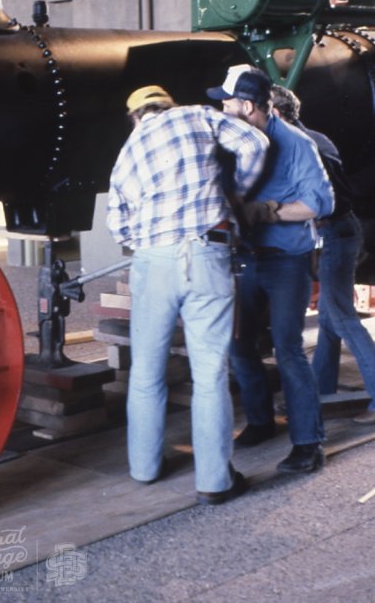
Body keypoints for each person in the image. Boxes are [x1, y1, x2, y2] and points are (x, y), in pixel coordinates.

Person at [106, 84, 269, 504]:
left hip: (152, 261)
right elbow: (254, 142)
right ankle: (215, 482)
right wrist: (238, 194)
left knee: (144, 372)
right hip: (206, 251)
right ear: (168, 105)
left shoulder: (127, 153)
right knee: (210, 374)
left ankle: (144, 468)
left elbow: (117, 226)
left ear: (135, 116)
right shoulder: (195, 115)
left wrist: (147, 238)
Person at [207, 64, 334, 474]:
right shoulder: (230, 138)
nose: (222, 109)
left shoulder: (296, 145)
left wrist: (270, 211)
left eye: (227, 102)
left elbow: (320, 205)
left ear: (247, 106)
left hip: (285, 262)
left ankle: (308, 443)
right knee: (240, 346)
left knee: (288, 348)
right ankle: (261, 421)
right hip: (245, 259)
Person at [272, 84, 375, 425]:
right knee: (331, 321)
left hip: (335, 234)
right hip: (343, 231)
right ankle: (321, 391)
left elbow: (315, 203)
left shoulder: (299, 146)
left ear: (278, 112)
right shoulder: (316, 137)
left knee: (343, 317)